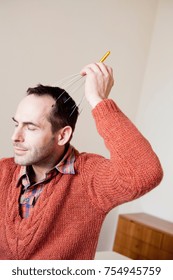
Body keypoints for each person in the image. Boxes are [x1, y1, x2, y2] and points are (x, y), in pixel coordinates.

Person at [0, 63, 163, 260]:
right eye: (16, 124)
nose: (15, 137)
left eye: (31, 127)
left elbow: (144, 172)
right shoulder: (3, 171)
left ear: (62, 136)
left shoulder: (89, 177)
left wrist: (98, 101)